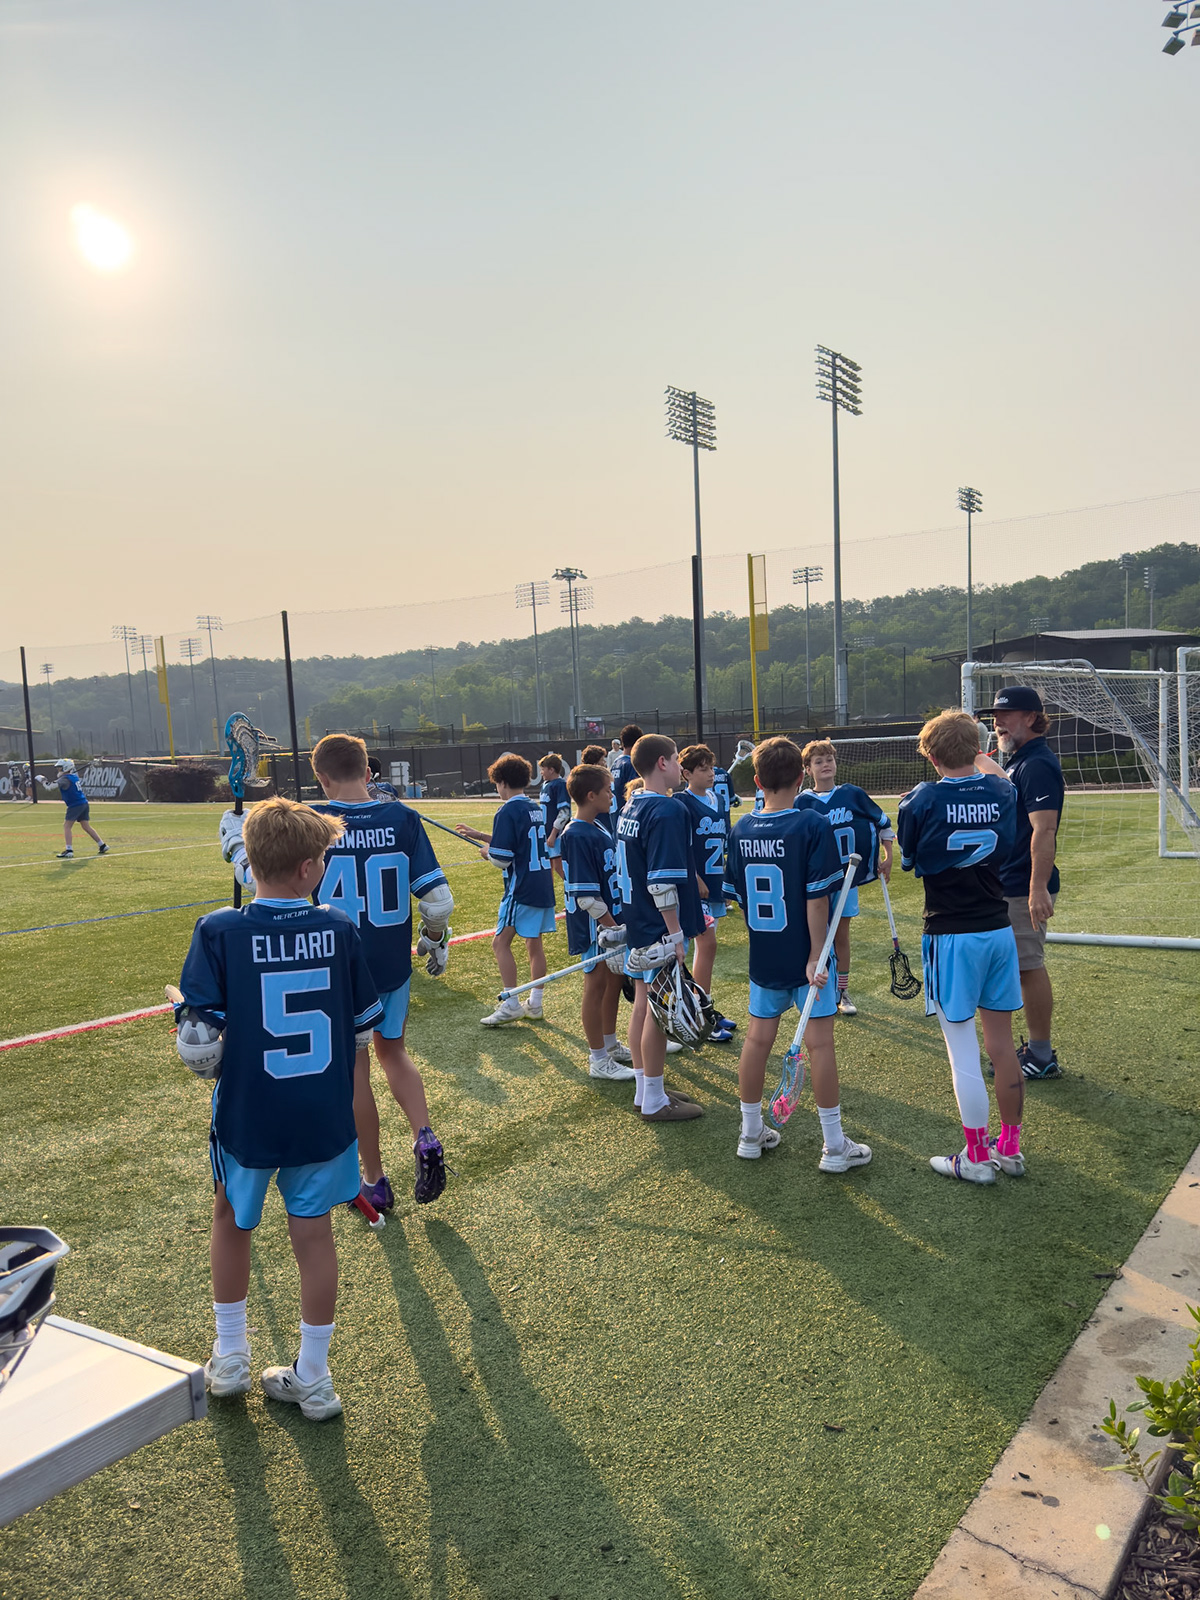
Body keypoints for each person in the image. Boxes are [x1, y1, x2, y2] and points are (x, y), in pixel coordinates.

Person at [176, 796, 384, 1420]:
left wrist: (191, 1025)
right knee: (314, 1236)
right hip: (322, 1115)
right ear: (305, 869)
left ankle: (231, 1355)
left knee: (229, 1218)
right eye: (321, 857)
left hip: (249, 1113)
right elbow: (359, 1036)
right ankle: (314, 1378)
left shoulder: (219, 929)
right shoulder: (340, 928)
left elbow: (198, 1048)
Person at [308, 734, 451, 1210]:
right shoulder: (403, 818)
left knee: (355, 1072)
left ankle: (373, 1179)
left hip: (340, 968)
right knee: (395, 1051)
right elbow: (438, 900)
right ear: (369, 772)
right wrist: (433, 938)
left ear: (321, 777)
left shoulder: (311, 822)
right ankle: (424, 1134)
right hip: (391, 963)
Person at [725, 737, 872, 1170]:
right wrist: (814, 956)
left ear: (757, 781)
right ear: (801, 776)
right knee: (821, 1046)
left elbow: (740, 899)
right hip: (807, 955)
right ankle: (833, 1146)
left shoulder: (742, 828)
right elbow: (815, 900)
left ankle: (750, 1133)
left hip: (764, 955)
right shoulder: (810, 824)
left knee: (756, 1039)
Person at [896, 710, 1027, 1184]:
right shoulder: (1002, 790)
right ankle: (1009, 1148)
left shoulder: (920, 800)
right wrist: (980, 760)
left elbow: (911, 860)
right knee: (1003, 1044)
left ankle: (975, 1155)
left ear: (930, 755)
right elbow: (998, 781)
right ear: (977, 748)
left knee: (962, 1049)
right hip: (997, 929)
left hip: (951, 933)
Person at [614, 734, 707, 1121]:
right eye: (675, 758)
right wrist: (674, 934)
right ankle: (653, 1100)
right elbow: (661, 883)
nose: (679, 767)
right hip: (656, 923)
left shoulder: (632, 805)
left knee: (642, 1003)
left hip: (637, 919)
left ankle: (645, 1088)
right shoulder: (667, 811)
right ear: (664, 763)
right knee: (656, 1008)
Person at [975, 686, 1064, 1080]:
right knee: (1016, 967)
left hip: (1021, 884)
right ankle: (1031, 1047)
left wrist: (1037, 886)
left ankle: (1042, 1055)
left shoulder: (1037, 763)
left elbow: (1044, 830)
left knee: (1028, 967)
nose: (997, 723)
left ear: (1031, 717)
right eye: (994, 715)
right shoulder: (1019, 760)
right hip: (1006, 881)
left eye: (1006, 714)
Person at [794, 739, 894, 1017]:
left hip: (846, 879)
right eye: (818, 761)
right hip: (815, 881)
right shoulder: (802, 802)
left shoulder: (852, 794)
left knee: (841, 935)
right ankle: (817, 986)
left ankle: (842, 990)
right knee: (816, 935)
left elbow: (883, 825)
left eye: (829, 759)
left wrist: (888, 856)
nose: (825, 765)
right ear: (808, 769)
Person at [457, 753, 556, 1026]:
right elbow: (521, 842)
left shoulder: (507, 809)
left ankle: (511, 1001)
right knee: (534, 944)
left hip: (520, 888)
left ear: (501, 783)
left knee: (500, 943)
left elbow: (502, 859)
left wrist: (487, 852)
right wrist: (481, 835)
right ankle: (535, 1003)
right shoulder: (533, 807)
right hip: (541, 885)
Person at [560, 763, 635, 1081]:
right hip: (596, 926)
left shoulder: (596, 826)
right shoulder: (576, 833)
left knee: (613, 983)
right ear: (591, 795)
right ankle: (597, 1058)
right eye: (607, 790)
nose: (612, 795)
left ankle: (610, 1044)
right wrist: (611, 927)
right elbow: (586, 896)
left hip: (610, 922)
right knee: (596, 985)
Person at [676, 744, 735, 1042]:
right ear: (685, 773)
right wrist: (695, 876)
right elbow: (681, 846)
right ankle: (695, 1012)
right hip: (695, 886)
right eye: (703, 769)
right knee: (703, 944)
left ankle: (703, 1006)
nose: (710, 773)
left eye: (711, 768)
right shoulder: (682, 803)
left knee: (706, 947)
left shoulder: (717, 798)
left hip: (715, 883)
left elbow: (724, 843)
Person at [37, 758, 108, 858]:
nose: (58, 770)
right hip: (83, 803)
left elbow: (49, 787)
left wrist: (43, 780)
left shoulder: (65, 779)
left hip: (75, 805)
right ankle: (102, 845)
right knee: (86, 826)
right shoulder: (73, 777)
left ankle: (69, 850)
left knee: (67, 826)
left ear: (65, 768)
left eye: (60, 768)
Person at [539, 753, 571, 880]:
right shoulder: (545, 785)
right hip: (546, 833)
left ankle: (575, 890)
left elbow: (564, 812)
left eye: (543, 769)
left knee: (559, 866)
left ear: (551, 770)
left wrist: (553, 833)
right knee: (548, 868)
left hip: (557, 834)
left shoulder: (560, 785)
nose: (541, 772)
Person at [611, 724, 643, 811]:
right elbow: (635, 792)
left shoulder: (616, 763)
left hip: (615, 815)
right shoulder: (631, 764)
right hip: (627, 814)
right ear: (638, 743)